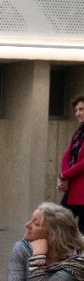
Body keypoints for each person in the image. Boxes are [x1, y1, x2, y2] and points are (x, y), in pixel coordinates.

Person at [58, 94, 84, 233]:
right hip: (74, 189)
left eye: (81, 109)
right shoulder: (79, 132)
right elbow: (67, 155)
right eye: (76, 110)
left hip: (82, 191)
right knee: (57, 223)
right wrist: (63, 176)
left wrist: (64, 175)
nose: (77, 113)